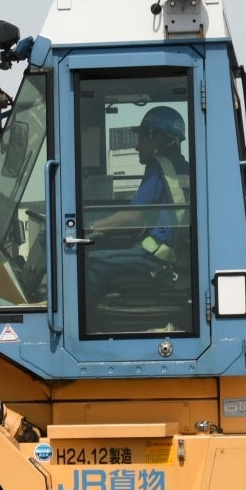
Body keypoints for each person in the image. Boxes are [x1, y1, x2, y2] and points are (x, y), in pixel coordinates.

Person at [83, 106, 193, 333]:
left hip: (155, 260)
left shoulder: (159, 167)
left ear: (158, 138)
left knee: (87, 263)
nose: (136, 146)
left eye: (142, 138)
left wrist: (91, 228)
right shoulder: (185, 169)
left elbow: (134, 214)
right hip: (170, 257)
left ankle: (87, 330)